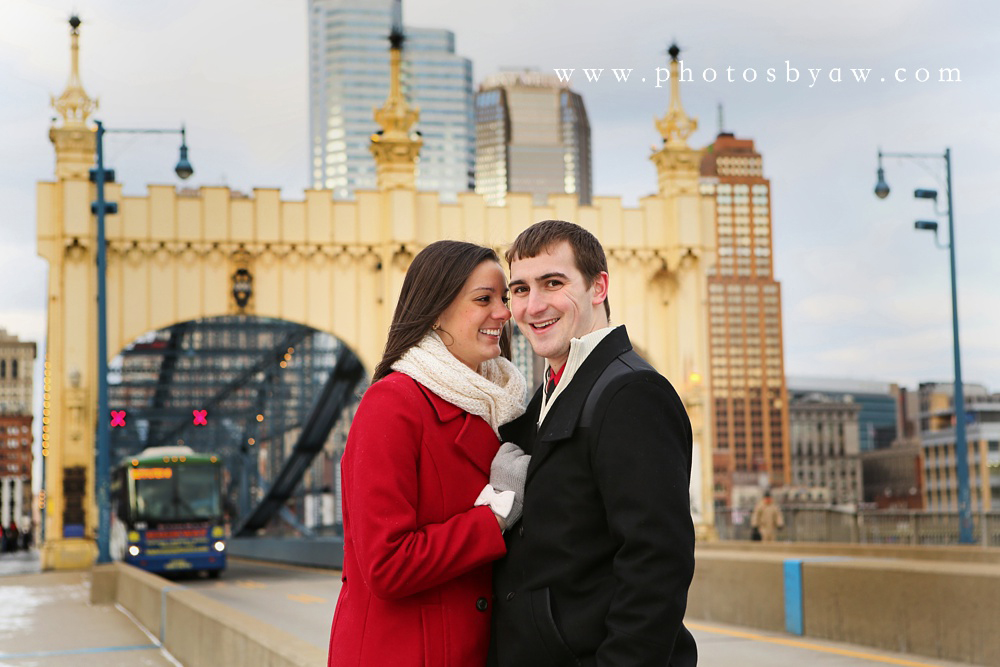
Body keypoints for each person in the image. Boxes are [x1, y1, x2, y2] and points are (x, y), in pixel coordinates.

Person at [489, 220, 698, 667]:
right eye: (520, 290)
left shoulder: (632, 394)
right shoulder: (546, 396)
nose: (534, 305)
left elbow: (657, 565)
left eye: (553, 283)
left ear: (598, 287)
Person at [328, 240, 529, 667]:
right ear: (437, 311)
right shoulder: (392, 404)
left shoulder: (500, 405)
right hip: (403, 653)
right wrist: (494, 515)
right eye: (483, 300)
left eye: (504, 298)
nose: (504, 313)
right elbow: (386, 564)